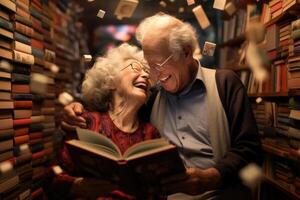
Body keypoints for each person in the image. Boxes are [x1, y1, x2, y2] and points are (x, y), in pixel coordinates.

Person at [62, 13, 263, 199]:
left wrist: (210, 178)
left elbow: (250, 150)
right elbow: (113, 105)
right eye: (149, 66)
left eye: (158, 64)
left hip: (217, 194)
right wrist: (74, 108)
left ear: (185, 52)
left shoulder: (225, 83)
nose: (153, 76)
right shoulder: (152, 95)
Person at [49, 43, 160, 200]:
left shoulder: (151, 133)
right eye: (136, 68)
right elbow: (53, 177)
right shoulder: (86, 122)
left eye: (147, 72)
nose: (145, 76)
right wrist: (77, 186)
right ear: (111, 82)